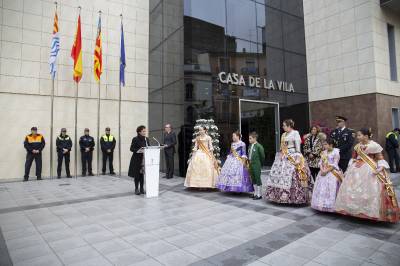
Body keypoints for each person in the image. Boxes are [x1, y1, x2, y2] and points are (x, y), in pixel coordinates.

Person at [335, 128, 399, 223]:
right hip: (356, 170)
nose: (357, 137)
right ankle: (355, 211)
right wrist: (351, 166)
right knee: (353, 189)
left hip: (370, 169)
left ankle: (369, 212)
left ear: (366, 136)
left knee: (370, 189)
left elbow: (380, 158)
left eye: (359, 135)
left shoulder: (374, 145)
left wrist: (380, 169)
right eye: (357, 135)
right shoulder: (357, 146)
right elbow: (354, 157)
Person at [265, 119, 312, 204]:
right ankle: (278, 196)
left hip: (293, 155)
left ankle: (294, 197)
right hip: (283, 155)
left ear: (289, 126)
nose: (283, 127)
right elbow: (281, 146)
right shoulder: (283, 134)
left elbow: (298, 147)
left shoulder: (295, 133)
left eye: (284, 125)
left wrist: (297, 157)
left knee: (293, 175)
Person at [311, 138, 343, 212]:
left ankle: (330, 205)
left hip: (332, 172)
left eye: (325, 144)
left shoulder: (336, 152)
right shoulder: (323, 152)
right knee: (321, 187)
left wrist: (326, 171)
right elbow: (320, 162)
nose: (324, 146)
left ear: (331, 145)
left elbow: (335, 164)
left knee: (330, 188)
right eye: (324, 144)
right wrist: (322, 170)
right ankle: (321, 204)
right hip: (323, 171)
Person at [128, 125, 150, 195]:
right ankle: (136, 188)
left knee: (142, 175)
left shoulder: (147, 139)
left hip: (144, 159)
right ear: (139, 132)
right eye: (143, 131)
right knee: (137, 174)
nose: (145, 132)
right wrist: (138, 150)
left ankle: (142, 189)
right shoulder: (135, 139)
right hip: (136, 159)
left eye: (145, 131)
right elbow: (131, 148)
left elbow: (149, 147)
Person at [248, 132, 265, 200]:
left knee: (258, 178)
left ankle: (259, 194)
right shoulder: (250, 146)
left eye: (250, 138)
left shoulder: (259, 146)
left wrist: (260, 164)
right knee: (253, 178)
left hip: (256, 164)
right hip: (251, 164)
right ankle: (255, 193)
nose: (249, 140)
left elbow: (262, 156)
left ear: (255, 138)